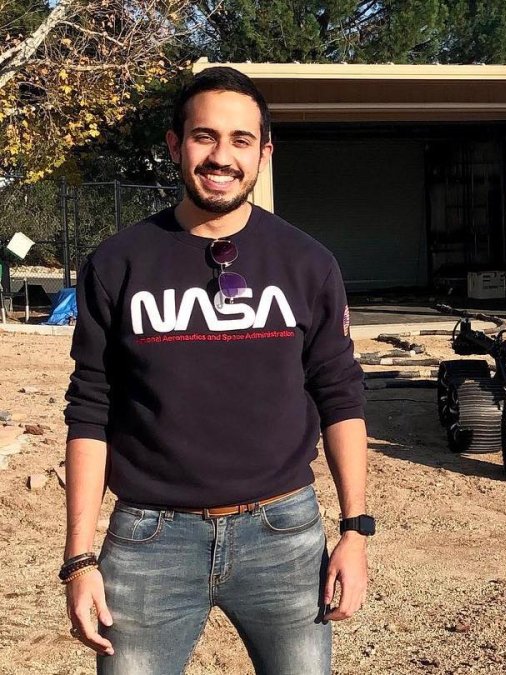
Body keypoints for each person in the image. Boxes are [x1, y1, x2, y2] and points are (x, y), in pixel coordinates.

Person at [61, 66, 374, 674]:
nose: (221, 157)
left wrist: (355, 531)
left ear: (264, 153)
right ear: (175, 145)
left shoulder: (307, 263)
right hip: (149, 540)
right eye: (204, 137)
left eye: (240, 140)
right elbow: (90, 408)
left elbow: (340, 395)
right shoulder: (118, 263)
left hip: (284, 535)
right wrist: (79, 559)